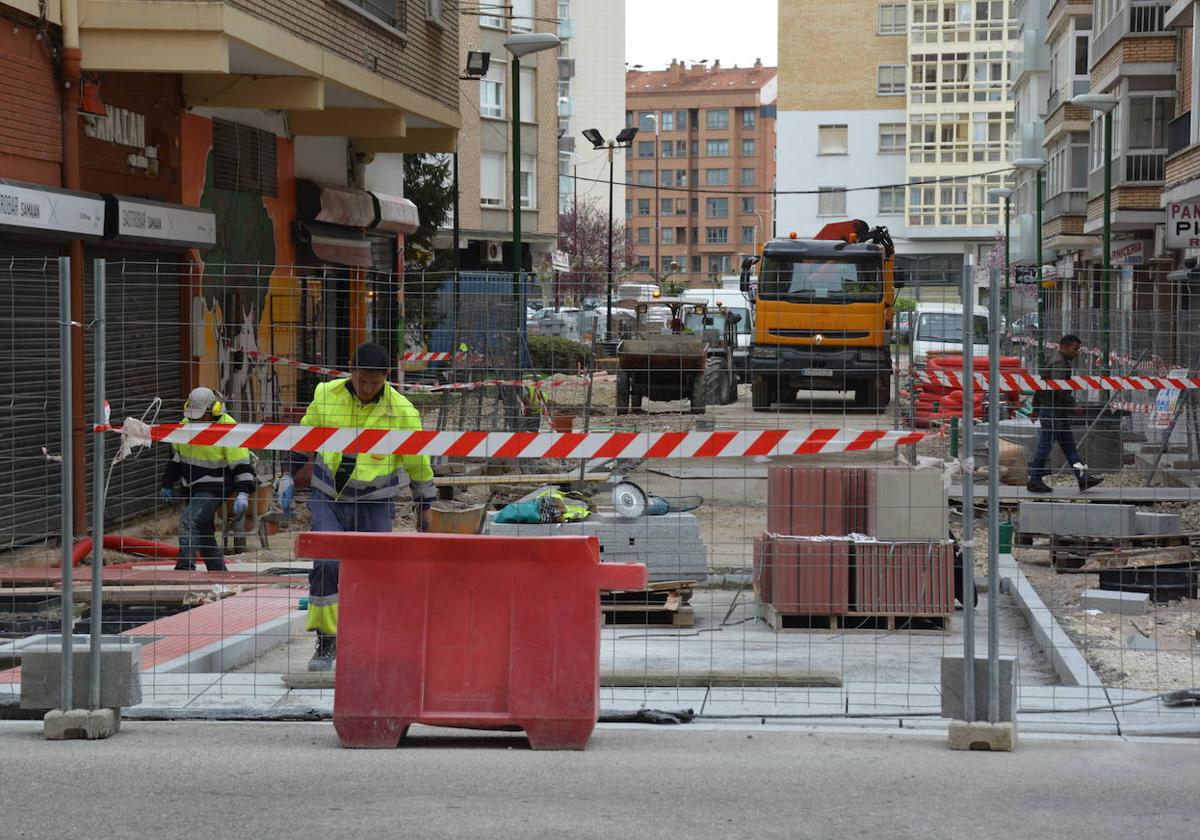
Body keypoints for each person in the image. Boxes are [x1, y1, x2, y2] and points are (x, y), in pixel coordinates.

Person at [277, 342, 435, 671]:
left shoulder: (402, 412)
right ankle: (326, 641)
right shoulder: (326, 395)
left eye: (374, 383)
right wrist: (286, 475)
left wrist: (425, 503)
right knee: (327, 563)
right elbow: (304, 435)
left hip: (375, 504)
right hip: (329, 498)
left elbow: (418, 462)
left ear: (385, 378)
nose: (366, 389)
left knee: (374, 571)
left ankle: (369, 641)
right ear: (352, 370)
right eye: (362, 381)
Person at [159, 387, 255, 572]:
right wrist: (167, 484)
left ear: (215, 410)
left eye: (200, 417)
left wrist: (243, 492)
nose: (196, 421)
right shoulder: (185, 425)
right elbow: (176, 460)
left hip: (216, 487)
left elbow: (242, 465)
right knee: (204, 534)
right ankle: (220, 574)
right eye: (193, 416)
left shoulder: (229, 428)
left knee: (188, 521)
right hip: (192, 488)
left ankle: (184, 570)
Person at [1026, 334, 1103, 494]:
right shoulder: (1060, 363)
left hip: (1054, 410)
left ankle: (1083, 478)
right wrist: (1072, 403)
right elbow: (1057, 388)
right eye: (1075, 349)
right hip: (1054, 411)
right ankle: (1034, 480)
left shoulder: (1053, 360)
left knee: (1069, 447)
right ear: (1065, 346)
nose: (1077, 353)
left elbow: (1041, 386)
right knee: (1045, 446)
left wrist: (1036, 408)